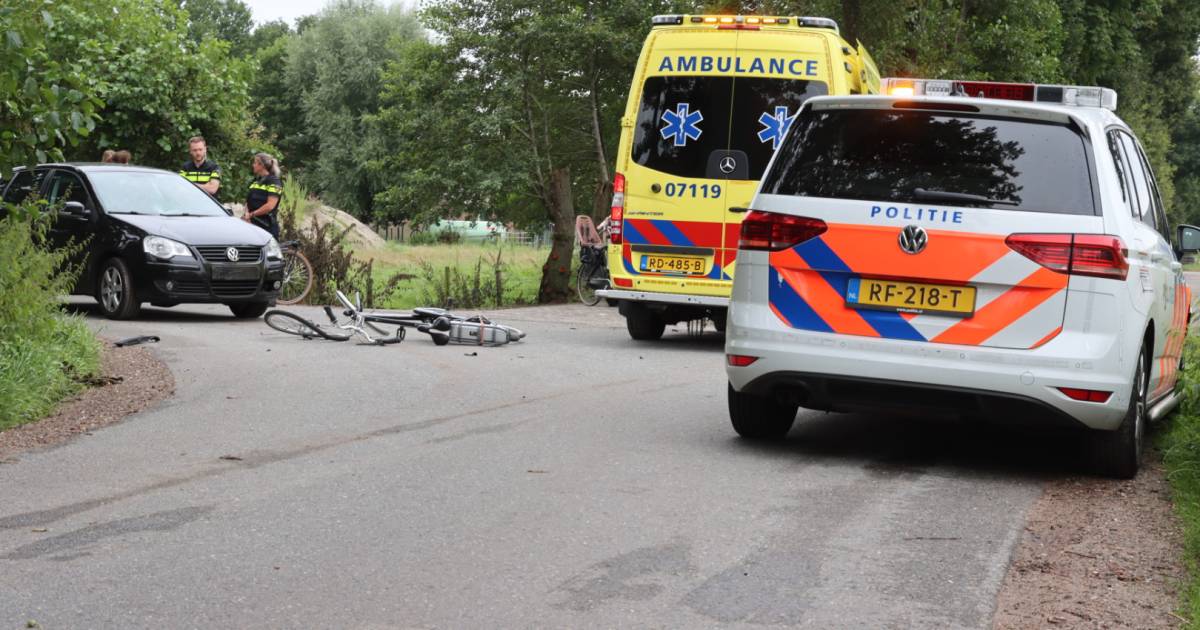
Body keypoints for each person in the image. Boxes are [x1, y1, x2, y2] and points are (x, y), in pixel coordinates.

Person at [244, 152, 283, 237]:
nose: (253, 165)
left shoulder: (274, 182)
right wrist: (247, 215)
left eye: (255, 163)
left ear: (261, 165)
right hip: (252, 225)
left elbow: (270, 206)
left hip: (267, 226)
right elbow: (248, 201)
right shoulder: (256, 181)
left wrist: (251, 215)